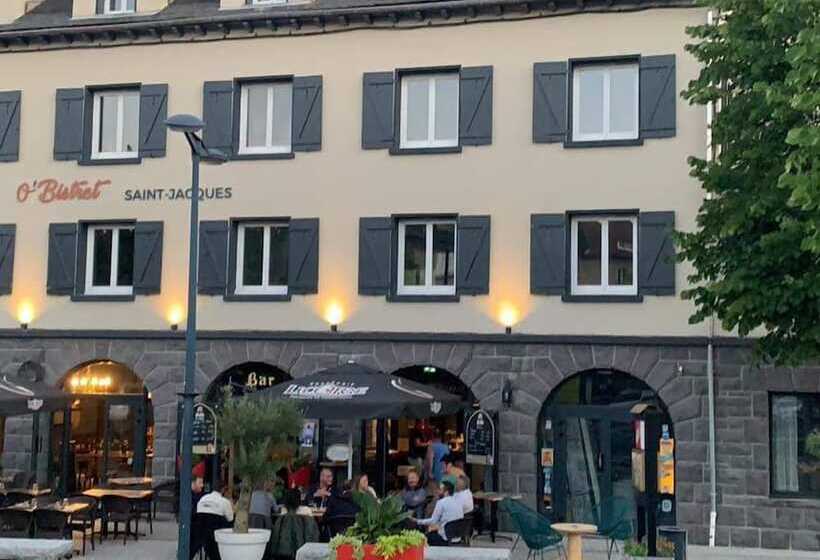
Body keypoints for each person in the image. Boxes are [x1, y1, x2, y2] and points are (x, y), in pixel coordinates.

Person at [270, 488, 320, 558]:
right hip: (304, 550)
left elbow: (275, 536)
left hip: (284, 552)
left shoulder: (283, 512)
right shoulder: (307, 510)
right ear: (299, 499)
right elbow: (314, 533)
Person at [414, 481, 463, 546]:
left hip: (444, 540)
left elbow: (433, 521)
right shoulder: (459, 502)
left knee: (421, 538)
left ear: (446, 492)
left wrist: (417, 521)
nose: (437, 491)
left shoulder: (441, 502)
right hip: (457, 539)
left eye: (440, 489)